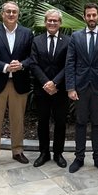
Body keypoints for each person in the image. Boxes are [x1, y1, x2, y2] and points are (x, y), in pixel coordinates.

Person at [0, 1, 34, 167]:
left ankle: (17, 151)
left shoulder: (27, 33)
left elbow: (32, 57)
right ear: (2, 14)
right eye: (8, 12)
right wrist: (4, 67)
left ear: (18, 15)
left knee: (18, 119)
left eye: (14, 12)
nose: (11, 14)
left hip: (19, 82)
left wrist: (22, 65)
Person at [66, 3, 98, 174]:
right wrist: (70, 87)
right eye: (88, 15)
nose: (91, 18)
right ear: (84, 17)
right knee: (79, 123)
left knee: (97, 123)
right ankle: (79, 158)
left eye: (94, 15)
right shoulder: (75, 37)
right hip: (79, 88)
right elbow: (70, 63)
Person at [30, 9, 70, 168]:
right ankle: (44, 153)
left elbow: (69, 64)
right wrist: (46, 83)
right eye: (49, 20)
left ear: (60, 23)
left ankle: (58, 153)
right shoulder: (36, 41)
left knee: (60, 122)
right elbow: (33, 63)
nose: (52, 23)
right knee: (42, 121)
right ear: (45, 22)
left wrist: (55, 83)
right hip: (42, 90)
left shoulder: (68, 41)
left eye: (55, 20)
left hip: (60, 90)